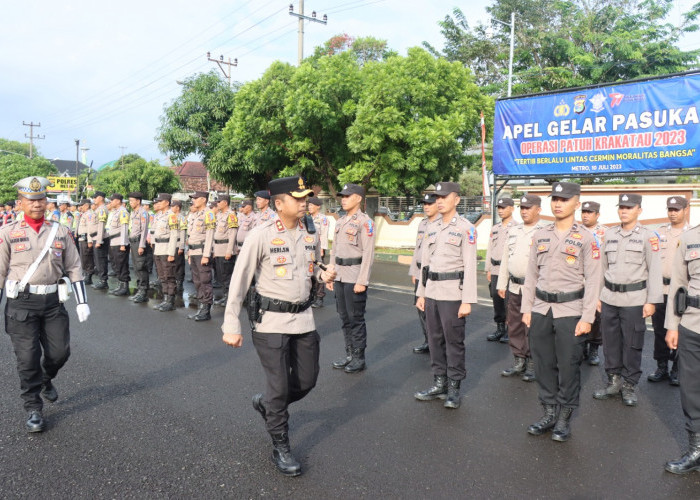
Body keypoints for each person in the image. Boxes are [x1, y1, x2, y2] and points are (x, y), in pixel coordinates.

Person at [221, 175, 335, 477]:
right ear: (279, 203)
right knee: (279, 384)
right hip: (270, 323)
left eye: (305, 198)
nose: (304, 203)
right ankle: (281, 447)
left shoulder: (311, 233)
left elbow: (313, 267)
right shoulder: (261, 234)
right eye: (298, 199)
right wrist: (230, 323)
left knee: (308, 380)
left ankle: (269, 404)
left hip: (304, 319)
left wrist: (325, 274)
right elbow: (240, 280)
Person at [0, 176, 90, 432]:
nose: (37, 204)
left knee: (60, 352)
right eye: (31, 200)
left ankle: (46, 378)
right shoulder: (7, 233)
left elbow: (74, 267)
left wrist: (82, 301)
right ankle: (33, 409)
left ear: (46, 202)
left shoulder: (60, 231)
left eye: (41, 199)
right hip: (21, 304)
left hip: (53, 303)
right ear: (21, 203)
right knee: (27, 359)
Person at [521, 182, 601, 442]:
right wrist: (527, 309)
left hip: (571, 311)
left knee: (568, 366)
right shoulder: (541, 234)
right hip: (541, 309)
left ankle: (564, 418)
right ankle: (548, 412)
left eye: (564, 199)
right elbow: (531, 275)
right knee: (543, 364)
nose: (558, 203)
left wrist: (588, 317)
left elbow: (594, 280)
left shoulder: (587, 238)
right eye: (554, 198)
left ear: (577, 203)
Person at [594, 193, 662, 407]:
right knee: (611, 342)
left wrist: (652, 301)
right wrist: (598, 296)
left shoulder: (647, 236)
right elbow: (601, 268)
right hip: (609, 298)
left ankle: (629, 385)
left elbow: (655, 271)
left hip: (634, 299)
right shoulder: (610, 234)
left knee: (632, 344)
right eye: (621, 207)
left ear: (639, 210)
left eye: (629, 207)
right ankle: (614, 381)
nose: (624, 210)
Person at [414, 182, 477, 409]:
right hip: (431, 290)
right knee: (434, 339)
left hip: (453, 293)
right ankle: (439, 382)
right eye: (436, 197)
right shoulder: (431, 227)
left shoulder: (466, 228)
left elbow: (470, 266)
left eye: (444, 196)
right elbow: (425, 265)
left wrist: (467, 300)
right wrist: (421, 293)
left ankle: (454, 388)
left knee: (454, 342)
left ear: (456, 200)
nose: (439, 201)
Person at [663, 223, 700, 474]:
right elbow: (678, 283)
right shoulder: (690, 237)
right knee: (691, 391)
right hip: (692, 323)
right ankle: (696, 449)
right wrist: (672, 326)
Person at [328, 183, 375, 373]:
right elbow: (334, 250)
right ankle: (349, 354)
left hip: (354, 275)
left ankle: (359, 357)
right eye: (342, 196)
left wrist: (362, 281)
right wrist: (330, 274)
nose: (343, 199)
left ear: (358, 198)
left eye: (348, 196)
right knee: (344, 317)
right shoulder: (340, 221)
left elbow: (368, 253)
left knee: (356, 318)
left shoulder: (365, 222)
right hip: (339, 274)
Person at [496, 194, 543, 382]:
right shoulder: (514, 230)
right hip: (514, 287)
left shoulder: (544, 231)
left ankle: (532, 362)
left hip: (534, 289)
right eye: (522, 208)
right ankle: (519, 360)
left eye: (528, 208)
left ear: (538, 209)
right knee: (514, 324)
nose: (524, 211)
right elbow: (506, 258)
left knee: (532, 327)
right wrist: (502, 283)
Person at [649, 196, 689, 385]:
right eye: (670, 209)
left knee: (679, 330)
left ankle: (677, 369)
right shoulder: (658, 233)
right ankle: (662, 367)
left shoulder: (692, 234)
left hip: (682, 292)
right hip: (661, 289)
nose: (673, 213)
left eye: (676, 209)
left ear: (685, 210)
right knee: (658, 331)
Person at [408, 193, 439, 354]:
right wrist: (414, 271)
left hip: (434, 274)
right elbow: (417, 249)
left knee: (434, 311)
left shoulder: (442, 224)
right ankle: (428, 340)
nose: (426, 206)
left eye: (429, 203)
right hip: (421, 273)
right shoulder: (422, 224)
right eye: (424, 204)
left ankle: (437, 343)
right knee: (421, 309)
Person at [580, 201, 607, 366]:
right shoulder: (575, 231)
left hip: (597, 282)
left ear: (597, 215)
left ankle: (594, 349)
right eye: (583, 211)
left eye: (589, 212)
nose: (585, 215)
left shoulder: (606, 233)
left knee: (596, 317)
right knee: (578, 314)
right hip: (578, 281)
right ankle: (581, 346)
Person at [485, 197, 515, 343]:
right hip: (495, 269)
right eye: (499, 208)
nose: (501, 210)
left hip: (508, 271)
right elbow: (490, 249)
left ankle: (511, 331)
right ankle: (500, 328)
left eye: (504, 207)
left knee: (508, 301)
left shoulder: (516, 228)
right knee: (496, 300)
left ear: (512, 209)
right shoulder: (495, 228)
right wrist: (488, 269)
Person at [187, 191, 215, 321]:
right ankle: (201, 306)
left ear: (203, 200)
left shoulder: (208, 214)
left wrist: (206, 254)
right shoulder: (195, 214)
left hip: (202, 252)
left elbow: (210, 235)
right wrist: (189, 252)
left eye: (196, 198)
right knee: (197, 281)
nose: (193, 200)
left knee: (205, 280)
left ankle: (206, 309)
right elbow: (191, 235)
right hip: (193, 252)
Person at [151, 193, 180, 312]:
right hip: (158, 248)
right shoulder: (159, 216)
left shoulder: (172, 216)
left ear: (167, 203)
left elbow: (174, 235)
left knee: (169, 275)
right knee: (162, 275)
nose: (158, 203)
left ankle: (171, 301)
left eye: (160, 201)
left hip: (167, 248)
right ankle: (165, 298)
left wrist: (171, 253)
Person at [213, 195, 238, 306]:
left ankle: (229, 298)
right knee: (221, 275)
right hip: (218, 249)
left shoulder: (231, 215)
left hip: (226, 249)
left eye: (219, 201)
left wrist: (229, 251)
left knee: (227, 275)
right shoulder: (218, 215)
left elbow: (232, 234)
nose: (217, 204)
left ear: (225, 203)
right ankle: (225, 296)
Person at [128, 192, 151, 303]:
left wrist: (141, 245)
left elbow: (144, 230)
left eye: (132, 201)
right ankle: (139, 290)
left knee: (141, 267)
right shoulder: (134, 213)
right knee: (136, 267)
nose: (130, 203)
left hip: (139, 242)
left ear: (138, 201)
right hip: (133, 242)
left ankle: (143, 291)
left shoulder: (143, 213)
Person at [107, 193, 131, 296]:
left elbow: (124, 228)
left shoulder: (123, 212)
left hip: (119, 242)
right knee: (117, 264)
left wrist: (123, 243)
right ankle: (120, 285)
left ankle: (125, 287)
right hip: (114, 241)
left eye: (112, 200)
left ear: (117, 201)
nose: (111, 202)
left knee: (121, 265)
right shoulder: (116, 212)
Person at [308, 196, 329, 308]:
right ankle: (311, 296)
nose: (309, 207)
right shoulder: (307, 218)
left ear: (318, 207)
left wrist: (322, 249)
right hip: (308, 249)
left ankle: (319, 297)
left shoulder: (323, 219)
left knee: (319, 273)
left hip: (318, 249)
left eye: (312, 205)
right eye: (309, 205)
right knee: (309, 272)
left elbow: (324, 235)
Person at [89, 191, 109, 290]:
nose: (94, 199)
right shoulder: (98, 209)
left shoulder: (102, 209)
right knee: (98, 260)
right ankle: (102, 280)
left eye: (95, 197)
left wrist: (99, 240)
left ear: (101, 198)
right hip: (95, 237)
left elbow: (101, 225)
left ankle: (103, 281)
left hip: (99, 238)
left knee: (101, 260)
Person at [76, 199, 95, 284]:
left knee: (87, 258)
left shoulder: (89, 214)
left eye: (82, 205)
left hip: (86, 239)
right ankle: (85, 273)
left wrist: (90, 241)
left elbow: (90, 228)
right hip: (81, 239)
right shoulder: (84, 214)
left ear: (87, 205)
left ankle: (89, 275)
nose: (80, 207)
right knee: (83, 258)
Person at [171, 200, 187, 292]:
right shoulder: (171, 217)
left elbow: (183, 233)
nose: (172, 208)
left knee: (179, 265)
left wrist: (181, 246)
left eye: (173, 206)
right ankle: (174, 282)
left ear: (178, 207)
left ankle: (180, 283)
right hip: (171, 244)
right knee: (172, 265)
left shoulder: (182, 218)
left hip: (177, 244)